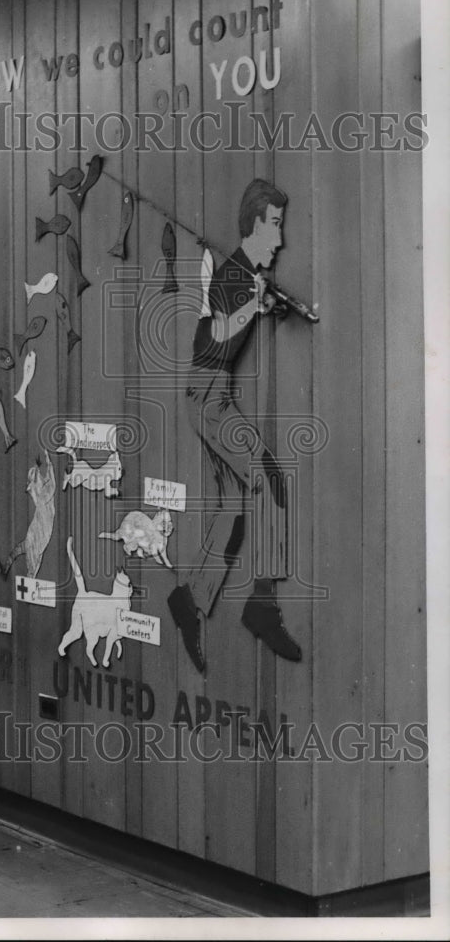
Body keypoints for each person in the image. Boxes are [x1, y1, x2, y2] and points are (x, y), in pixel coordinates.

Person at [167, 178, 302, 673]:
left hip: (207, 395)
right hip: (207, 396)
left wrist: (262, 304)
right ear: (254, 225)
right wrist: (255, 304)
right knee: (268, 477)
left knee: (235, 508)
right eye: (275, 226)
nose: (280, 240)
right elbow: (219, 331)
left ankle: (190, 600)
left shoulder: (245, 277)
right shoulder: (231, 275)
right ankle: (260, 606)